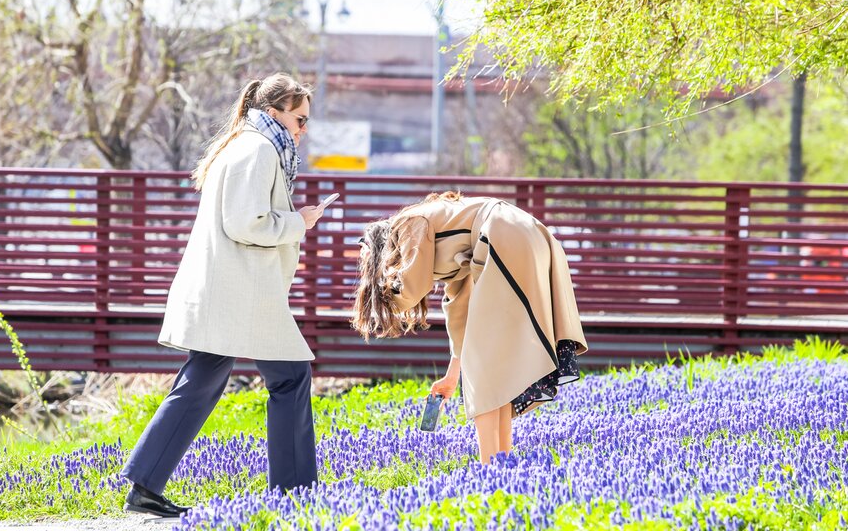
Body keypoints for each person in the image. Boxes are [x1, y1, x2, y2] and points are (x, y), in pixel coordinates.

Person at [120, 73, 323, 517]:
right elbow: (245, 223)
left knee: (203, 380)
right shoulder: (260, 149)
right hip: (241, 295)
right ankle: (295, 497)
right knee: (290, 378)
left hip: (229, 291)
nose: (303, 130)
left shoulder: (245, 144)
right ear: (275, 114)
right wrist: (299, 222)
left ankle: (144, 485)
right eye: (300, 119)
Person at [352, 191, 588, 464]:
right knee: (494, 368)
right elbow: (460, 309)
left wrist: (382, 293)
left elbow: (411, 288)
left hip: (501, 236)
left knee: (483, 369)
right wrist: (452, 376)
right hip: (525, 233)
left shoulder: (407, 223)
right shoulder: (447, 234)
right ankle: (502, 462)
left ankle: (489, 468)